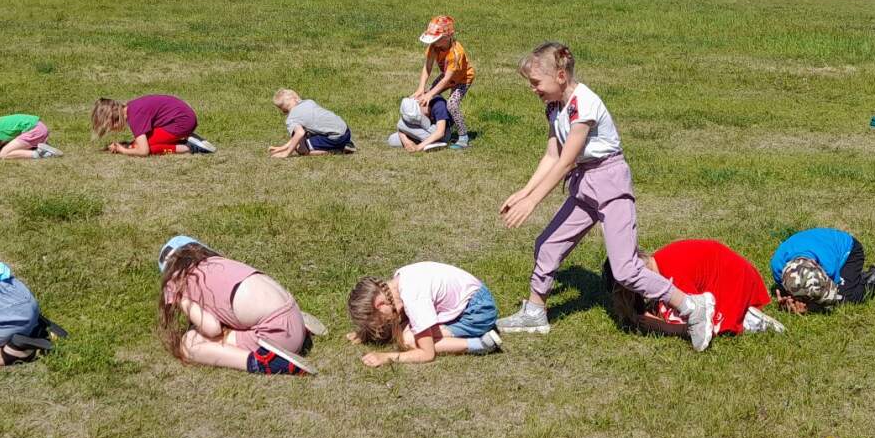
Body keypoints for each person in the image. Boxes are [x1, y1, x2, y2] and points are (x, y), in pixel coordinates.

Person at [494, 41, 717, 350]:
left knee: (625, 269)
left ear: (560, 76)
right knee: (547, 244)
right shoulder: (554, 105)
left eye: (535, 83)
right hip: (584, 184)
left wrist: (533, 202)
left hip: (610, 183)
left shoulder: (583, 103)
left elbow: (567, 160)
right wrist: (525, 191)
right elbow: (551, 154)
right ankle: (534, 312)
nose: (532, 89)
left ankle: (693, 306)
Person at [157, 236, 320, 375]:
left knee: (190, 343)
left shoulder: (189, 283)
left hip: (278, 338)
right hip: (293, 314)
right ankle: (299, 332)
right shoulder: (218, 263)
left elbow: (212, 329)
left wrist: (182, 300)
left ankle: (262, 362)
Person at [602, 240, 785, 338]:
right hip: (734, 275)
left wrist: (663, 328)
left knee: (685, 316)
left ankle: (745, 318)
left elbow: (697, 317)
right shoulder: (662, 264)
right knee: (667, 307)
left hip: (735, 282)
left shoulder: (673, 270)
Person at [346, 262, 502, 365]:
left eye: (377, 321)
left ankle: (479, 345)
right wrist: (367, 333)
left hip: (478, 312)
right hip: (476, 296)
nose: (381, 324)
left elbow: (427, 354)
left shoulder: (413, 297)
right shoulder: (398, 281)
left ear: (379, 304)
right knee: (406, 330)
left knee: (409, 340)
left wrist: (387, 357)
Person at [769, 228, 875, 313]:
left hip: (849, 249)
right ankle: (854, 279)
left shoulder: (828, 266)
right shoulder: (778, 268)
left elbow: (833, 292)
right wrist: (791, 299)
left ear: (819, 268)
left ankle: (872, 279)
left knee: (846, 298)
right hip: (817, 243)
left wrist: (811, 307)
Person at [413, 15, 475, 148]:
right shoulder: (434, 47)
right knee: (428, 95)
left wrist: (430, 94)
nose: (433, 42)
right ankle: (437, 124)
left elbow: (447, 79)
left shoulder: (456, 53)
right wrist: (421, 88)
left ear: (447, 37)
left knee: (452, 105)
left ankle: (463, 138)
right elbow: (427, 67)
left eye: (437, 39)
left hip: (463, 79)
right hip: (447, 75)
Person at [91, 95, 216, 156]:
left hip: (182, 123)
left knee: (147, 147)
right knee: (136, 144)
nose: (113, 130)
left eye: (110, 127)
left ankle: (191, 147)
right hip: (183, 118)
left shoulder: (135, 117)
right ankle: (183, 137)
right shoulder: (131, 108)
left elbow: (143, 151)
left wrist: (123, 150)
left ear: (114, 119)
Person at [269, 89, 355, 156]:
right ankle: (347, 143)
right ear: (295, 98)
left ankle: (339, 150)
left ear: (283, 110)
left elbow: (299, 133)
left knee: (301, 149)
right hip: (346, 130)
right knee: (308, 135)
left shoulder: (291, 119)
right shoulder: (308, 102)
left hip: (337, 137)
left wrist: (287, 152)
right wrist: (282, 147)